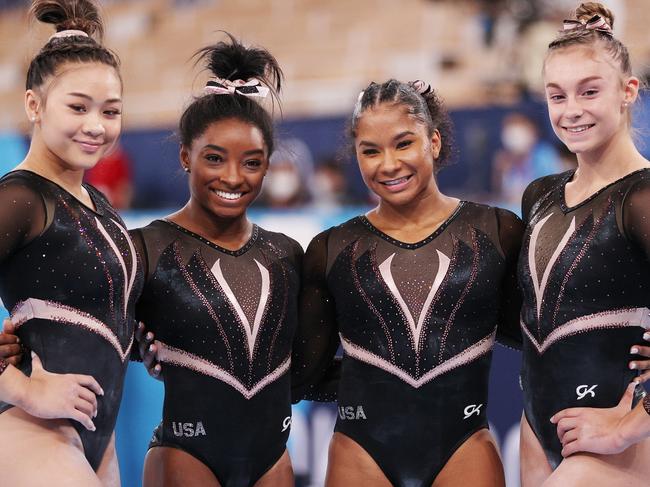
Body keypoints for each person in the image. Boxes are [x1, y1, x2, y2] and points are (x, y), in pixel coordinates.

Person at [290, 79, 524, 487]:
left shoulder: (496, 231)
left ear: (433, 141)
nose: (388, 164)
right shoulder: (332, 249)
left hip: (464, 446)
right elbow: (301, 376)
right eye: (370, 151)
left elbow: (537, 332)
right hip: (361, 451)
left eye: (403, 144)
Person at [131, 34, 299, 487]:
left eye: (251, 162)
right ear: (186, 156)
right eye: (214, 158)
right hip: (186, 454)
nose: (232, 177)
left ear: (267, 166)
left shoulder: (286, 254)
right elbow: (95, 333)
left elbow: (310, 363)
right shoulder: (144, 248)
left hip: (273, 459)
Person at [0, 1, 141, 486]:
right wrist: (23, 390)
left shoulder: (96, 201)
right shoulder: (19, 197)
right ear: (34, 106)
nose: (96, 125)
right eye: (77, 107)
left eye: (111, 111)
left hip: (97, 440)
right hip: (33, 431)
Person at [517, 3, 650, 486]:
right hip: (539, 434)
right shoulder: (541, 195)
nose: (571, 110)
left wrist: (630, 427)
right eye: (557, 96)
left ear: (627, 92)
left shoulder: (642, 196)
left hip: (622, 445)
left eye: (589, 92)